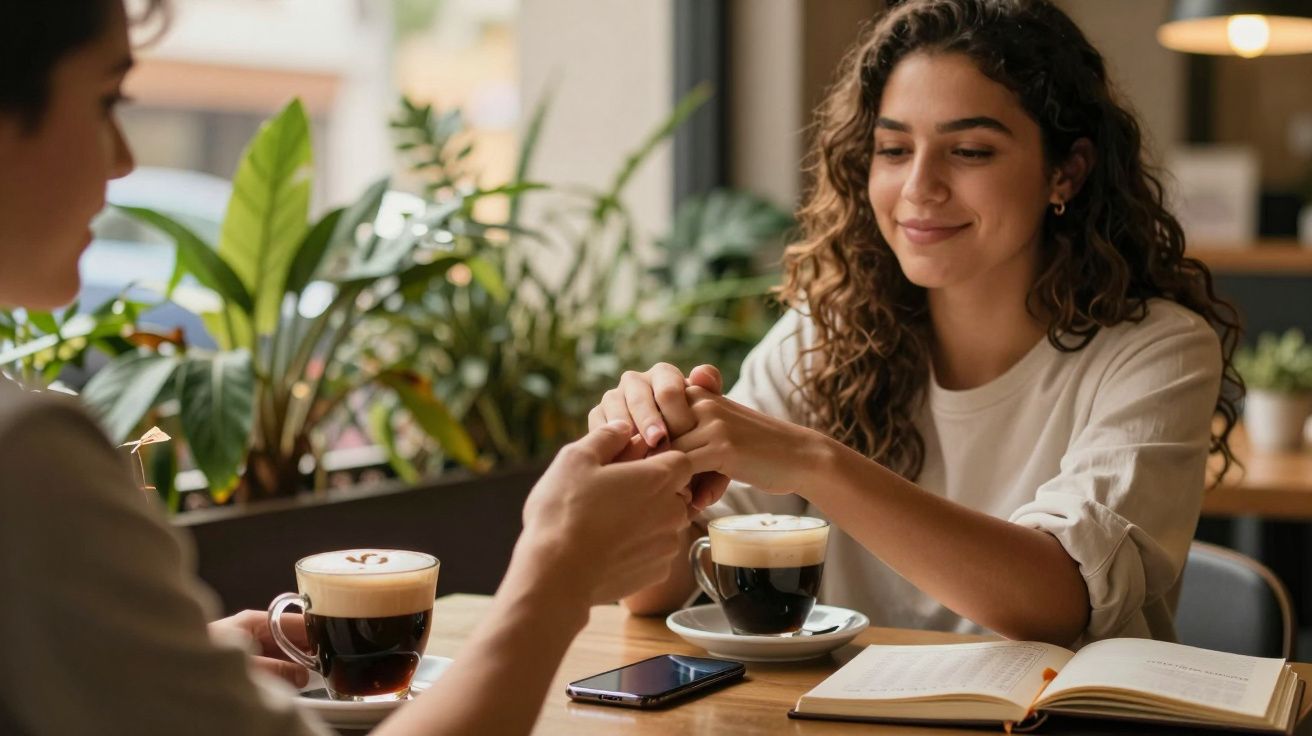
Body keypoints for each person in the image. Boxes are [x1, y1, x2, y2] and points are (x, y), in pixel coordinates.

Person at [0, 2, 693, 734]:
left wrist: (157, 669)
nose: (123, 159)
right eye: (106, 100)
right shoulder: (26, 453)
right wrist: (558, 576)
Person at [595, 0, 1242, 649]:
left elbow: (1060, 602)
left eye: (970, 150)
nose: (919, 186)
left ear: (1065, 172)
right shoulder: (825, 334)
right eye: (894, 149)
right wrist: (648, 466)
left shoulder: (1159, 350)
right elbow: (655, 589)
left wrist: (814, 464)